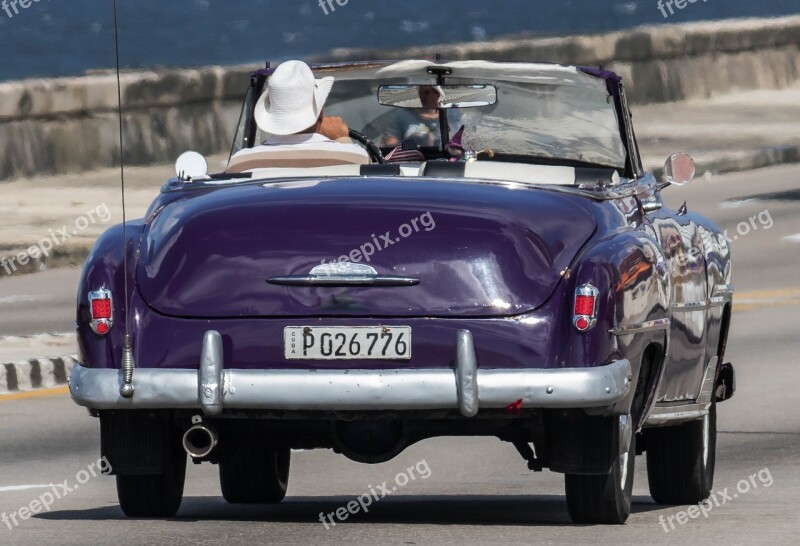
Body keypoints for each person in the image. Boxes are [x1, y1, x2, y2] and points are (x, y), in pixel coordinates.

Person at [227, 60, 370, 172]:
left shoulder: (240, 163)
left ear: (271, 115)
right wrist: (343, 140)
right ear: (320, 113)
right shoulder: (356, 158)